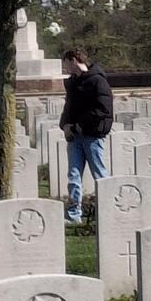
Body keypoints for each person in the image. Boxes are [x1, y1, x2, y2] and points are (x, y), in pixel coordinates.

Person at [59, 47, 113, 224]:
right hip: (74, 136)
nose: (65, 67)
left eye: (66, 63)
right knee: (73, 176)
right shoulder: (73, 82)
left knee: (99, 173)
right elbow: (69, 107)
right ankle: (74, 213)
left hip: (92, 135)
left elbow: (102, 109)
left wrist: (79, 125)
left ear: (74, 60)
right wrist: (65, 125)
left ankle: (107, 212)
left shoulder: (97, 81)